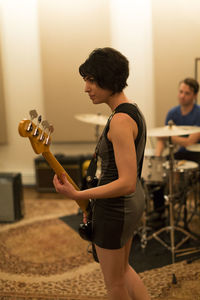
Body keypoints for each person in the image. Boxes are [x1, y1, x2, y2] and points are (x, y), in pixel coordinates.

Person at [53, 47, 150, 300]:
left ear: (109, 78)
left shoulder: (119, 121)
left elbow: (126, 183)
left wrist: (78, 193)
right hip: (130, 204)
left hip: (116, 208)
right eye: (86, 80)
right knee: (124, 269)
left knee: (114, 284)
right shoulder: (133, 111)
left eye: (92, 80)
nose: (86, 87)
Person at [150, 78, 200, 226]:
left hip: (197, 155)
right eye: (180, 92)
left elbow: (190, 141)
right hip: (180, 154)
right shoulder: (172, 113)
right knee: (157, 173)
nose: (182, 95)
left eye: (187, 93)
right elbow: (162, 140)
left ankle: (179, 197)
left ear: (194, 96)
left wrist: (168, 137)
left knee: (180, 174)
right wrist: (157, 160)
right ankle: (159, 213)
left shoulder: (199, 113)